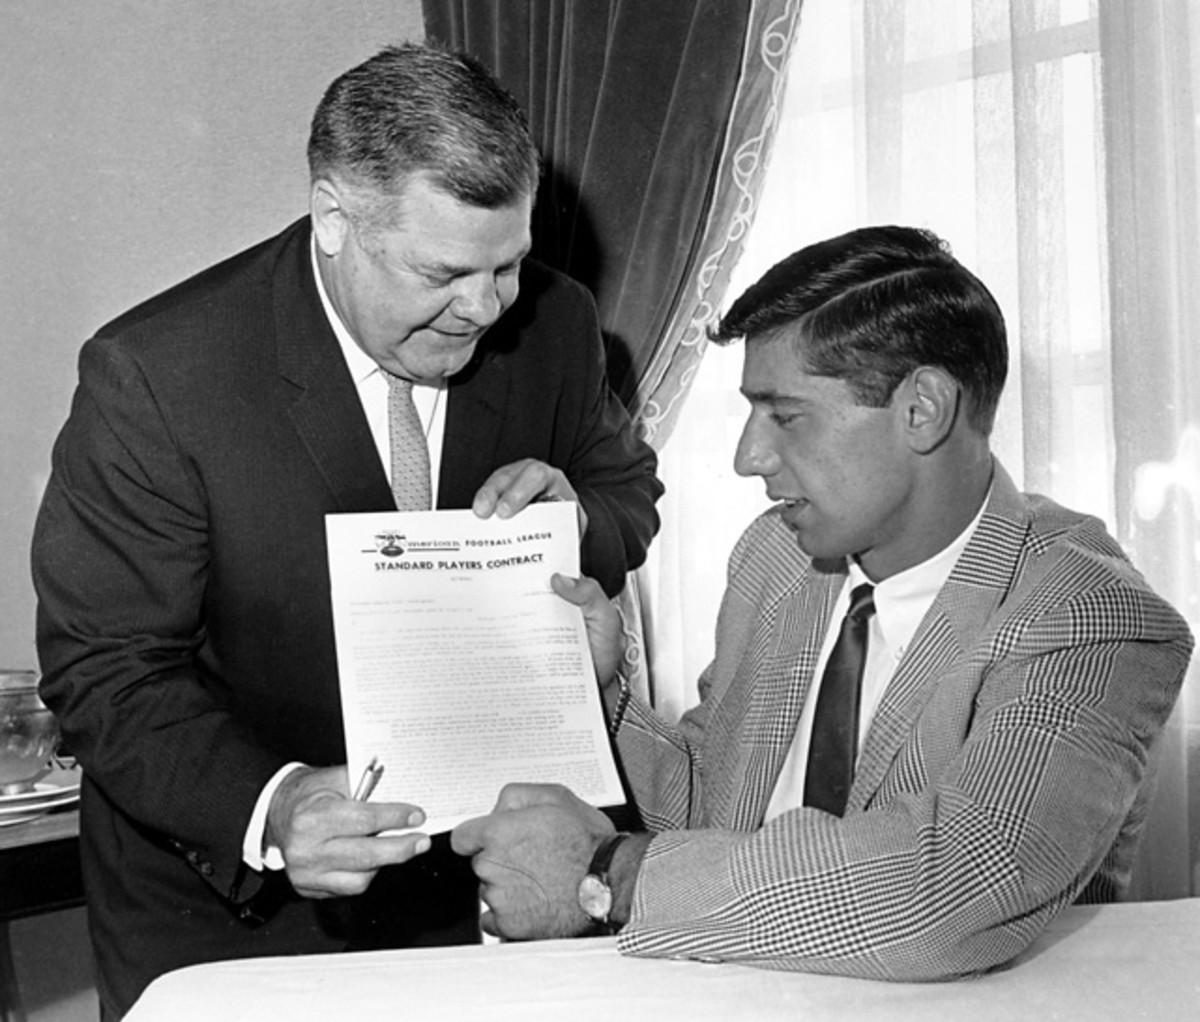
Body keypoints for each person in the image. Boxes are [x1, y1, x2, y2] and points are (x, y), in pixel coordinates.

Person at [31, 42, 661, 1018]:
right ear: (334, 219)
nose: (489, 308)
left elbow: (628, 491)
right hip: (234, 911)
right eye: (445, 271)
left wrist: (571, 519)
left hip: (493, 881)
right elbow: (107, 669)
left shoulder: (557, 323)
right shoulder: (159, 377)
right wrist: (277, 805)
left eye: (509, 263)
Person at [451, 225, 1194, 978]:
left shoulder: (1088, 613)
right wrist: (604, 695)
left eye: (785, 414)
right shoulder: (777, 557)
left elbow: (948, 890)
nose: (748, 457)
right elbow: (716, 806)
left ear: (923, 409)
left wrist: (613, 872)